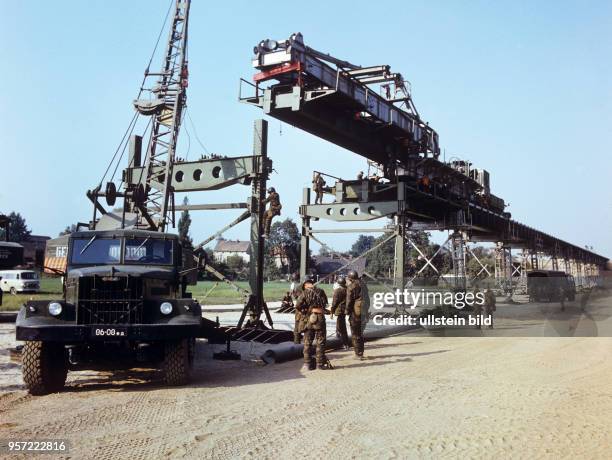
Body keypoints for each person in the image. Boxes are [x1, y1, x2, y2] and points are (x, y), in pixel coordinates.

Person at [296, 277, 331, 370]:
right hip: (319, 319)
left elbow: (298, 305)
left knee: (307, 342)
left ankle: (307, 364)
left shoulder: (304, 293)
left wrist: (306, 309)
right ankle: (320, 364)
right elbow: (325, 304)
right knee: (321, 342)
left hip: (308, 320)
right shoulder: (321, 291)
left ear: (305, 284)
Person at [345, 270, 365, 359]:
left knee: (355, 333)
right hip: (363, 312)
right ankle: (361, 352)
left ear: (350, 278)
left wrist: (347, 311)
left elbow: (349, 301)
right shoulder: (363, 285)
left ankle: (358, 354)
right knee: (360, 333)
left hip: (355, 313)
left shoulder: (351, 287)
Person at [331, 276, 349, 349]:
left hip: (340, 310)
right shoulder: (347, 289)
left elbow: (334, 302)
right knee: (340, 326)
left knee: (341, 327)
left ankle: (345, 343)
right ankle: (341, 341)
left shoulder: (338, 291)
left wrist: (332, 311)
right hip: (345, 309)